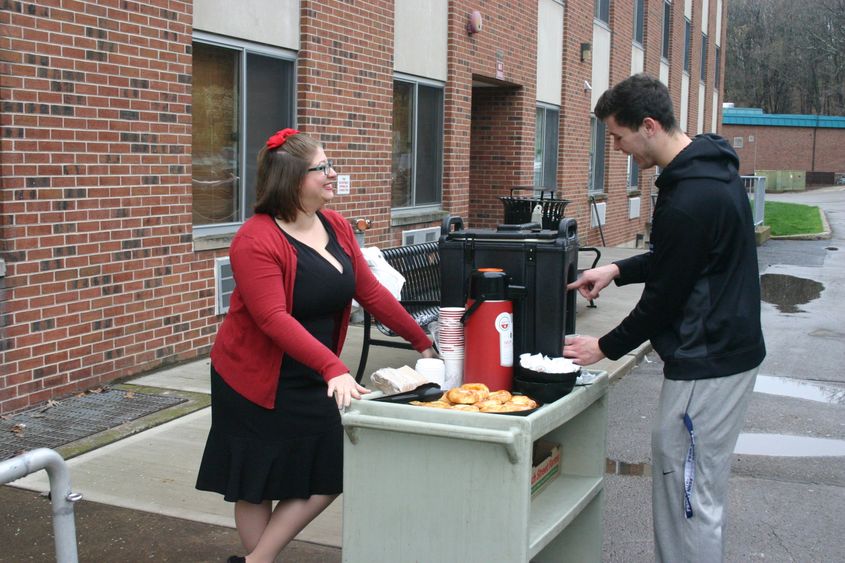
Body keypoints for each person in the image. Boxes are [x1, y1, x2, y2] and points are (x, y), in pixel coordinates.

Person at [195, 128, 436, 563]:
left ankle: (254, 561)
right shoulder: (255, 239)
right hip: (254, 377)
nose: (332, 174)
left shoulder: (335, 225)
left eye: (330, 165)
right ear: (291, 178)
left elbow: (371, 291)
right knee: (256, 479)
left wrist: (423, 341)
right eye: (321, 168)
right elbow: (272, 318)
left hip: (312, 371)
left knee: (330, 469)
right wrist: (333, 368)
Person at [564, 74, 766, 562]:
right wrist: (618, 267)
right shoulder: (708, 169)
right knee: (694, 487)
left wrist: (603, 347)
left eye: (618, 135)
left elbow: (666, 300)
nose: (616, 147)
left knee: (688, 495)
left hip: (708, 360)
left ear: (648, 126)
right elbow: (681, 258)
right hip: (723, 354)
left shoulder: (691, 198)